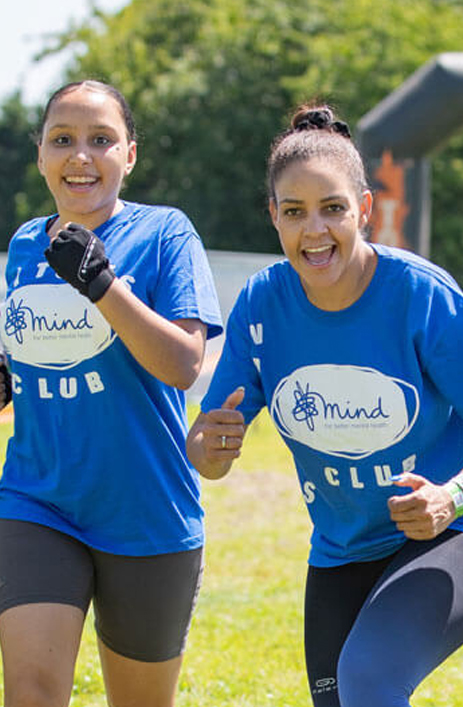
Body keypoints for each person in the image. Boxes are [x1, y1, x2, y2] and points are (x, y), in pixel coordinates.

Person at [187, 103, 463, 707]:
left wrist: (451, 495)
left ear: (365, 210)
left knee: (370, 682)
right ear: (273, 216)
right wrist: (208, 446)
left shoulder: (418, 294)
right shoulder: (260, 306)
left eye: (333, 209)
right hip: (344, 546)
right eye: (295, 212)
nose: (315, 230)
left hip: (456, 529)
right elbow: (209, 447)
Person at [0, 80, 222, 706]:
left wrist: (101, 282)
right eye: (62, 140)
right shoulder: (24, 245)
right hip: (36, 500)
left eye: (101, 140)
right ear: (39, 153)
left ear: (129, 155)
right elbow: (33, 357)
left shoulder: (166, 234)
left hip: (146, 513)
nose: (80, 156)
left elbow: (183, 363)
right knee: (32, 692)